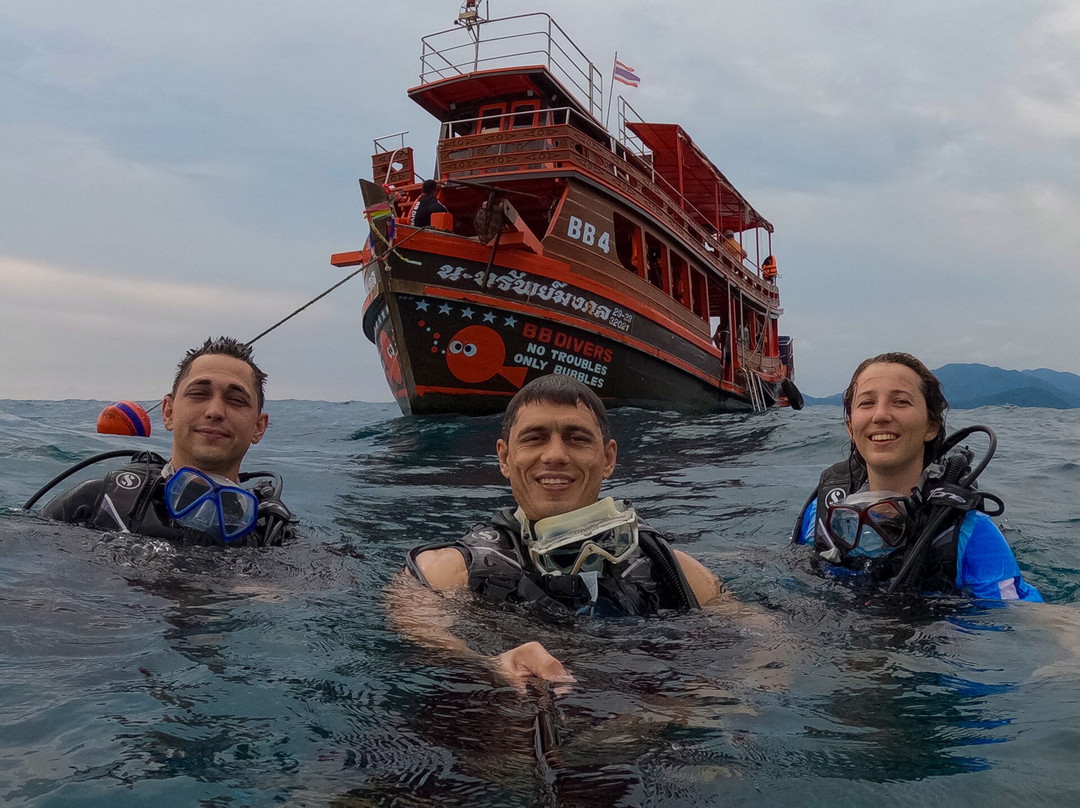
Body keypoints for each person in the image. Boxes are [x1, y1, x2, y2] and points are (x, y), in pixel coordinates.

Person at [395, 374, 735, 686]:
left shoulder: (676, 571)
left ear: (608, 458)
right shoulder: (448, 570)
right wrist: (491, 662)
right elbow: (417, 624)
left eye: (576, 439)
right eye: (534, 438)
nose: (555, 455)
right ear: (504, 457)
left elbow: (763, 651)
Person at [792, 352, 1041, 601]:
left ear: (931, 426)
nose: (880, 415)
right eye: (866, 403)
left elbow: (1027, 617)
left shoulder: (971, 535)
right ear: (850, 427)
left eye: (900, 402)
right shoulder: (822, 515)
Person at [36, 337, 296, 547]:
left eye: (236, 400)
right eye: (198, 394)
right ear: (168, 412)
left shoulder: (271, 533)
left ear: (258, 427)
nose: (215, 410)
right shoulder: (97, 502)